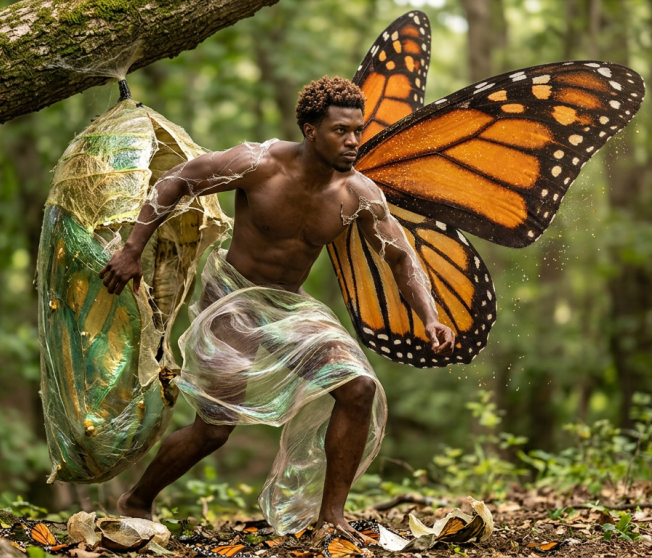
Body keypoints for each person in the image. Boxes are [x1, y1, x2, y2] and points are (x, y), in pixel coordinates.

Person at [99, 76, 455, 542]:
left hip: (288, 306)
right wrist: (131, 250)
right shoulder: (257, 163)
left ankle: (331, 516)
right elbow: (178, 181)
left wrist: (429, 316)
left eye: (357, 131)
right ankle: (138, 499)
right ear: (310, 131)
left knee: (359, 387)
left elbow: (401, 255)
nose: (353, 142)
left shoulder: (359, 195)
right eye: (340, 131)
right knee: (214, 430)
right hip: (231, 298)